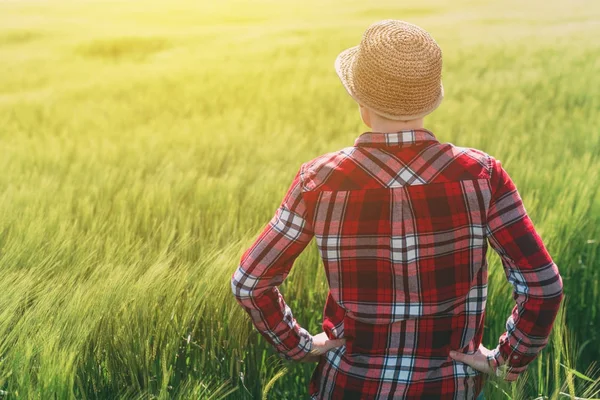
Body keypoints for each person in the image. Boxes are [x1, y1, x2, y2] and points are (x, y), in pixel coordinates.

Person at [230, 19, 564, 399]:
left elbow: (250, 283)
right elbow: (544, 287)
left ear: (361, 102)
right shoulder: (482, 176)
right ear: (431, 99)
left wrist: (300, 345)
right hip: (448, 388)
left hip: (348, 385)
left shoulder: (319, 181)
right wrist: (506, 359)